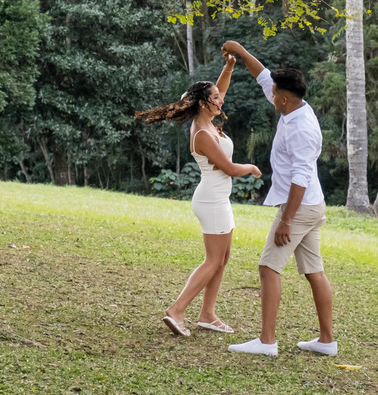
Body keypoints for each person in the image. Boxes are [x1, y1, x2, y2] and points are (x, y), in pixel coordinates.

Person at [221, 40, 336, 358]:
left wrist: (286, 219)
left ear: (283, 99)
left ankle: (267, 341)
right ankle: (327, 341)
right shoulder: (293, 106)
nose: (270, 95)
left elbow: (300, 178)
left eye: (274, 94)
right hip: (311, 204)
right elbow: (263, 76)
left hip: (299, 207)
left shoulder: (302, 129)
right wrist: (241, 53)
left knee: (268, 268)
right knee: (314, 271)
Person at [135, 51, 262, 338]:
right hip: (211, 200)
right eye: (215, 98)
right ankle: (176, 310)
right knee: (213, 260)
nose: (221, 100)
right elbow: (230, 168)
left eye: (219, 96)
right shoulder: (202, 133)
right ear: (204, 103)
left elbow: (221, 89)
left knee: (223, 258)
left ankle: (207, 315)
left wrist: (229, 67)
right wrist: (251, 167)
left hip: (218, 199)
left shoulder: (207, 120)